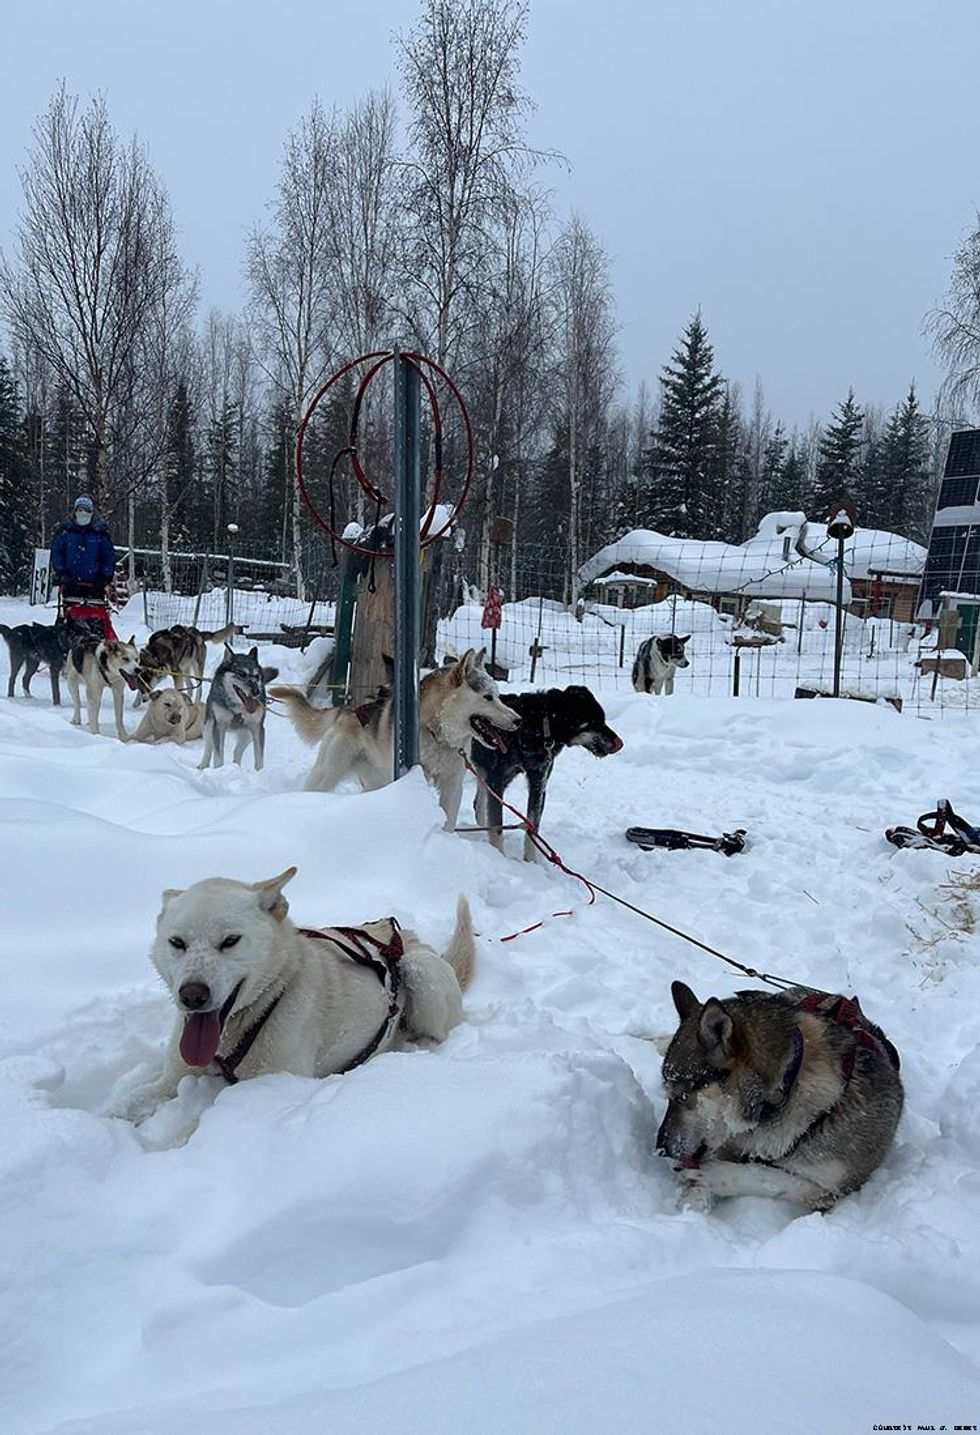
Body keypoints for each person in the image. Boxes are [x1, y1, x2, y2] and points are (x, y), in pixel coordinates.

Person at [50, 494, 119, 640]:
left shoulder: (100, 533)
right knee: (69, 617)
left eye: (86, 511)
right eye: (79, 510)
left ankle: (96, 642)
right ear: (74, 511)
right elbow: (57, 553)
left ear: (92, 513)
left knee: (96, 618)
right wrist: (61, 572)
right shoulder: (65, 532)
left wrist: (105, 575)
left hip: (95, 584)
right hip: (71, 582)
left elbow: (109, 556)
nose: (82, 513)